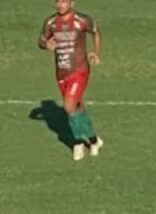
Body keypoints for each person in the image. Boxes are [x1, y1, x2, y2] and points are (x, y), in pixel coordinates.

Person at [40, 0, 103, 160]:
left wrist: (96, 52)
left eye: (63, 1)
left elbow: (96, 31)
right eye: (58, 1)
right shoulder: (51, 22)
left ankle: (77, 143)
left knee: (68, 107)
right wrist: (46, 44)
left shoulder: (81, 20)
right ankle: (94, 140)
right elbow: (41, 40)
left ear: (71, 3)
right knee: (78, 107)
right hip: (61, 73)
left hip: (79, 70)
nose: (60, 5)